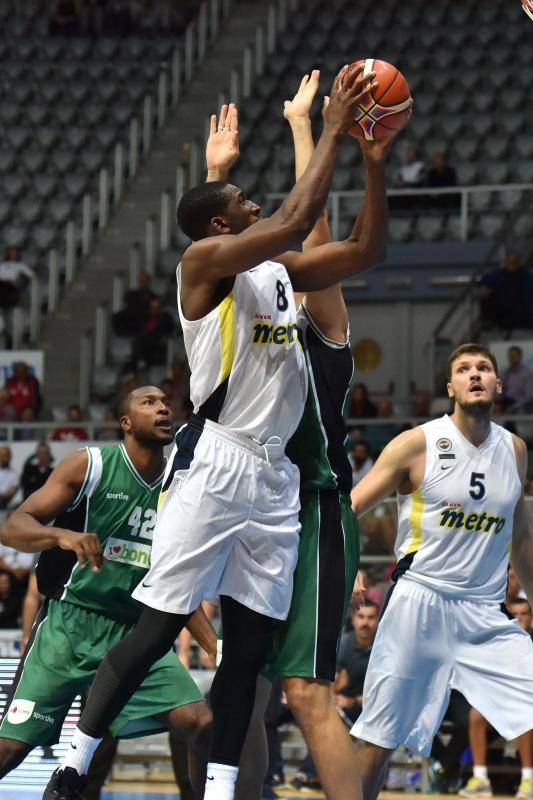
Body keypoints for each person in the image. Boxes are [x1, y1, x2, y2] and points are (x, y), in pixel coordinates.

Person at [42, 63, 385, 800]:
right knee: (160, 623)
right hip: (216, 461)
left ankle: (223, 789)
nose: (254, 202)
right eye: (240, 200)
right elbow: (289, 218)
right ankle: (75, 761)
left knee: (250, 649)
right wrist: (324, 129)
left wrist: (373, 160)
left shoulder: (280, 270)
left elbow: (359, 251)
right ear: (222, 226)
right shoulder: (201, 264)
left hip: (274, 481)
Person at [235, 70, 395, 800]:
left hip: (314, 510)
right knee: (245, 694)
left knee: (304, 691)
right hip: (248, 511)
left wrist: (306, 128)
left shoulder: (318, 323)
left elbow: (319, 232)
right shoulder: (237, 326)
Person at [0, 386, 213, 798]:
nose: (163, 407)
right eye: (148, 403)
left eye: (166, 402)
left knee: (202, 723)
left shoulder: (182, 486)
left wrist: (214, 646)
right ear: (126, 423)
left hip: (138, 635)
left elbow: (177, 580)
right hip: (68, 627)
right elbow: (12, 526)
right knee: (10, 747)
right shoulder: (90, 465)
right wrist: (61, 535)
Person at [348, 342, 533, 800]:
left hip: (484, 614)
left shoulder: (515, 450)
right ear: (450, 387)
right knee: (379, 739)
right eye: (465, 369)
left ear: (498, 384)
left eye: (484, 368)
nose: (475, 375)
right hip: (419, 604)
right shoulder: (417, 443)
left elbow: (522, 537)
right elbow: (346, 508)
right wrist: (349, 566)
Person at [459, 597, 533, 800]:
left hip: (528, 704)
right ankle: (481, 778)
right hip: (502, 701)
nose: (519, 618)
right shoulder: (499, 643)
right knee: (476, 715)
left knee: (527, 716)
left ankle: (529, 780)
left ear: (531, 617)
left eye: (523, 614)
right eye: (515, 615)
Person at [333, 601, 379, 725]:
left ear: (378, 621)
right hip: (347, 706)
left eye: (370, 618)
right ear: (353, 620)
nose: (365, 623)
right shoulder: (342, 645)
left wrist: (355, 701)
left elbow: (388, 693)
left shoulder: (385, 649)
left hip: (375, 706)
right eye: (361, 616)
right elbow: (332, 687)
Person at [479, 249, 533, 333]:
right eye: (510, 260)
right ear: (506, 260)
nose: (512, 262)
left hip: (522, 314)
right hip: (502, 313)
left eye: (515, 260)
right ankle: (489, 324)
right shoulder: (497, 276)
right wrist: (484, 288)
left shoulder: (527, 277)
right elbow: (485, 282)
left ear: (519, 261)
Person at [501, 346, 533, 413]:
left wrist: (515, 406)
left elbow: (529, 395)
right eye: (511, 356)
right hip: (505, 403)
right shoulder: (504, 372)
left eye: (515, 356)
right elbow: (499, 390)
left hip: (520, 405)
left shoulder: (526, 373)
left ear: (520, 357)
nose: (512, 358)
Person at [0, 446, 18, 511]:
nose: (4, 457)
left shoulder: (14, 473)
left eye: (6, 455)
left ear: (10, 456)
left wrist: (3, 496)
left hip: (5, 503)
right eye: (2, 455)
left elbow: (13, 490)